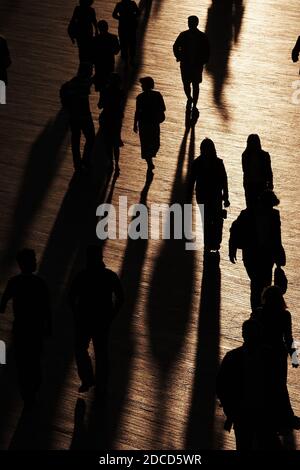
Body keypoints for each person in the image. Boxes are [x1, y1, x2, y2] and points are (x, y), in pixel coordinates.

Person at [217, 319, 283, 450]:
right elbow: (278, 387)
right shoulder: (269, 356)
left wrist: (231, 411)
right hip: (263, 416)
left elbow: (221, 386)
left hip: (244, 416)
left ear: (243, 334)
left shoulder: (232, 357)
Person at [69, 246, 124, 394]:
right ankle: (101, 385)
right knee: (101, 354)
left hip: (84, 319)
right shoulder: (109, 276)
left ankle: (87, 379)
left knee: (80, 349)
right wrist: (111, 315)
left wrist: (76, 315)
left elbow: (71, 297)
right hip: (102, 320)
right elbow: (120, 298)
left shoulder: (82, 276)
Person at [0, 249, 51, 406]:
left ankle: (27, 394)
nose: (35, 262)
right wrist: (49, 327)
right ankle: (33, 389)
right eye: (33, 260)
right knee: (35, 361)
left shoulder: (14, 282)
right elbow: (46, 308)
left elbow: (3, 304)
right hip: (36, 329)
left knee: (23, 363)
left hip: (21, 328)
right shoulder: (40, 283)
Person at [252, 286, 299, 431]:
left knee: (264, 383)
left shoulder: (258, 313)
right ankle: (285, 417)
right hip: (278, 354)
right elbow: (288, 337)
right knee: (279, 385)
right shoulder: (285, 315)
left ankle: (266, 416)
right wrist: (294, 357)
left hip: (262, 352)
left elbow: (252, 333)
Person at [229, 190, 286, 311]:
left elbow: (277, 239)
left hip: (266, 256)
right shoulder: (248, 214)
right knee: (257, 283)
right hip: (252, 256)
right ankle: (257, 309)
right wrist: (232, 248)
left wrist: (279, 257)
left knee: (263, 283)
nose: (270, 208)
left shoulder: (274, 216)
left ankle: (262, 310)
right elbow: (234, 229)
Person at [189, 138, 230, 252]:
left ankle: (209, 243)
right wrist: (226, 197)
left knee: (207, 220)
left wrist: (187, 197)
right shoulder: (218, 163)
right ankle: (214, 243)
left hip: (204, 196)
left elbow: (191, 181)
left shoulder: (197, 163)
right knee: (215, 220)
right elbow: (224, 181)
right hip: (214, 196)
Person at [60, 63, 95, 172]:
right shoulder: (84, 83)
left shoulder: (70, 84)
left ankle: (77, 164)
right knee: (90, 138)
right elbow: (91, 82)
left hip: (73, 117)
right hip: (85, 116)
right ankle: (86, 160)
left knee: (75, 140)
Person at [173, 16, 210, 111]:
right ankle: (191, 98)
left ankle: (192, 99)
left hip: (191, 64)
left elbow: (207, 50)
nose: (189, 24)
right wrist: (178, 56)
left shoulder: (187, 35)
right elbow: (176, 46)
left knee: (192, 84)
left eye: (190, 22)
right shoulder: (200, 36)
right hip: (193, 64)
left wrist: (179, 56)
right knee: (191, 84)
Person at [134, 76, 166, 172]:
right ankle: (150, 162)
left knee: (145, 144)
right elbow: (163, 108)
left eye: (142, 84)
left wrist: (135, 124)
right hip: (153, 123)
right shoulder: (157, 95)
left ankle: (149, 162)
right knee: (155, 142)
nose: (141, 86)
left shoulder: (140, 97)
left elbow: (137, 112)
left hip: (143, 123)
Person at [98, 73, 124, 175]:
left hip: (106, 117)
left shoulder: (104, 91)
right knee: (115, 142)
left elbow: (100, 106)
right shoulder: (121, 92)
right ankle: (117, 164)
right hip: (116, 118)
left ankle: (111, 163)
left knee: (108, 142)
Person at [242, 134, 273, 208]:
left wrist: (270, 183)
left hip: (255, 185)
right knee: (258, 206)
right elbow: (269, 171)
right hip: (254, 185)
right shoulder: (264, 155)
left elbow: (245, 171)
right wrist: (270, 183)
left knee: (253, 206)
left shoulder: (245, 155)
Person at [93, 20, 120, 94]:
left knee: (101, 85)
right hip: (109, 63)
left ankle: (102, 100)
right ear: (107, 27)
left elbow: (92, 53)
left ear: (99, 28)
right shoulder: (113, 37)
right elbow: (116, 51)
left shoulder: (95, 39)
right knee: (109, 82)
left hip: (99, 65)